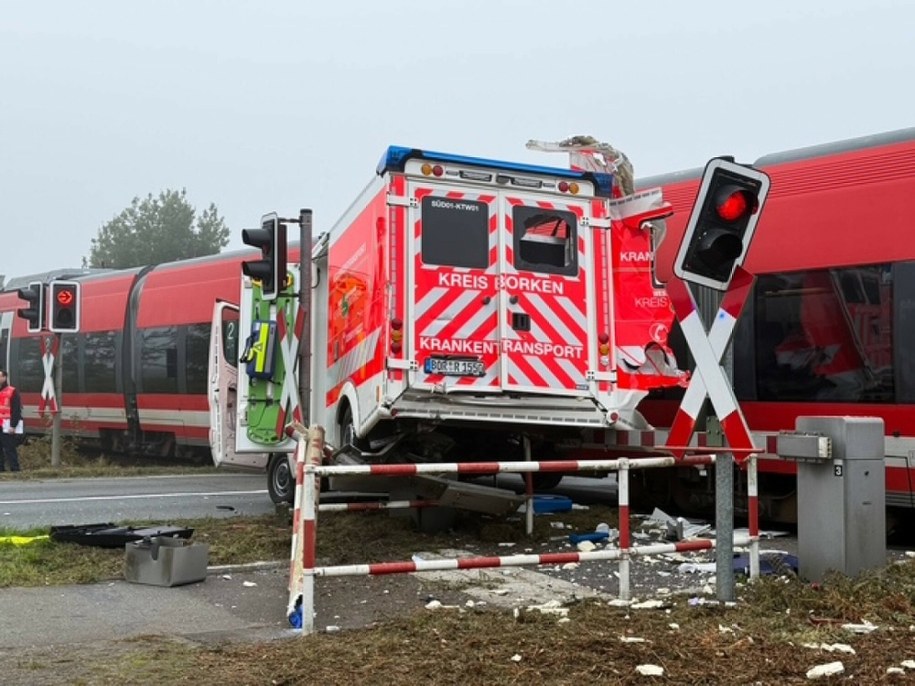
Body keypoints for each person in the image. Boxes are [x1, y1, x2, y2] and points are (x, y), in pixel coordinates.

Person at [0, 369, 22, 472]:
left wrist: (13, 425)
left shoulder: (12, 391)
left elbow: (16, 409)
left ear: (4, 378)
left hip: (7, 425)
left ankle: (15, 469)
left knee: (9, 448)